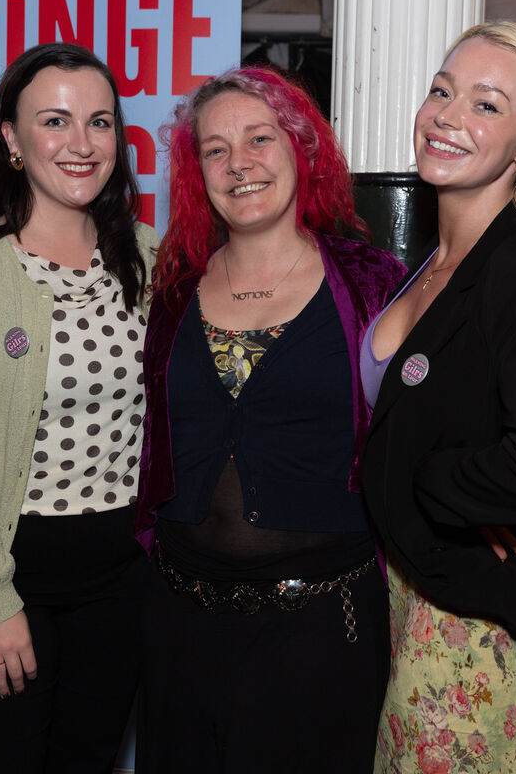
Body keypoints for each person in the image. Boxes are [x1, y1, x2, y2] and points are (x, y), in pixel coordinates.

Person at [360, 22, 516, 773]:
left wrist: (438, 489)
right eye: (442, 91)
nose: (447, 116)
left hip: (470, 634)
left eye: (485, 104)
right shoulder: (436, 260)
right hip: (406, 600)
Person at [134, 66, 406, 773]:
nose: (239, 163)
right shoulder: (174, 287)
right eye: (216, 149)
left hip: (319, 631)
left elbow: (430, 419)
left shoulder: (372, 282)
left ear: (300, 149)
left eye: (259, 138)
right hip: (179, 625)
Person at [0, 42, 158, 773]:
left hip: (118, 588)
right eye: (55, 121)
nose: (82, 143)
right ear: (11, 139)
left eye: (100, 122)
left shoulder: (148, 253)